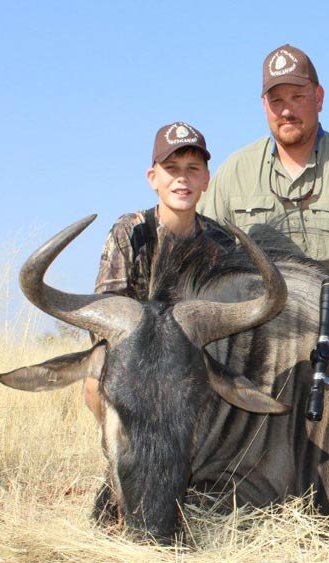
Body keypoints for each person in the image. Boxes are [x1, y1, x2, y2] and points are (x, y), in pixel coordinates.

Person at [198, 44, 329, 318]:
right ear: (264, 105)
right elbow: (206, 258)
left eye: (297, 97)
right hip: (260, 311)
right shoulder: (235, 170)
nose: (286, 111)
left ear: (319, 98)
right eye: (276, 101)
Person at [84, 121, 234, 420]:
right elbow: (104, 316)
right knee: (93, 379)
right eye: (171, 168)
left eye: (193, 169)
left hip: (195, 357)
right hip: (136, 355)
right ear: (152, 178)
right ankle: (120, 459)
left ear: (206, 179)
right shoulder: (130, 230)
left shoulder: (223, 242)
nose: (182, 179)